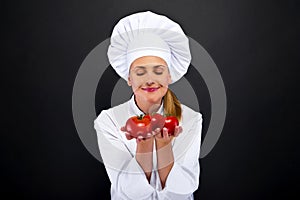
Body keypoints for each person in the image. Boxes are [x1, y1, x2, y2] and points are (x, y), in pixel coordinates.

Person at [94, 11, 203, 200]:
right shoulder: (108, 121)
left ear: (169, 76)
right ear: (129, 78)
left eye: (158, 71)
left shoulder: (192, 119)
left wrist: (164, 146)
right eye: (140, 72)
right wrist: (143, 146)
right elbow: (130, 192)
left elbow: (182, 190)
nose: (150, 80)